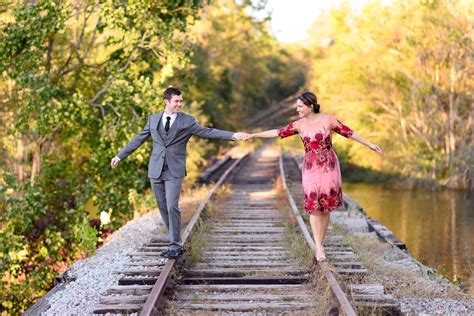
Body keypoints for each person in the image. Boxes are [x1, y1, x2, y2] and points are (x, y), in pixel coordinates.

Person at [111, 87, 249, 258]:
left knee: (171, 205)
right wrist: (120, 155)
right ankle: (173, 240)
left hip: (174, 170)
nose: (179, 104)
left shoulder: (187, 121)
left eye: (180, 101)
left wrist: (233, 135)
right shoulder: (153, 120)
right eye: (176, 101)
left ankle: (175, 245)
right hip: (156, 169)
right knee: (162, 207)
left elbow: (208, 132)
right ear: (166, 102)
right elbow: (138, 139)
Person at [249, 92, 382, 261]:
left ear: (310, 106)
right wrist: (253, 135)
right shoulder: (299, 125)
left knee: (325, 207)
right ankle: (318, 247)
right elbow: (278, 132)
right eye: (297, 107)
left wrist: (370, 144)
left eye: (300, 107)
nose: (297, 110)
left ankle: (320, 242)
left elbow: (349, 132)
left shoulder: (328, 120)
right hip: (311, 167)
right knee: (313, 204)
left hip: (329, 166)